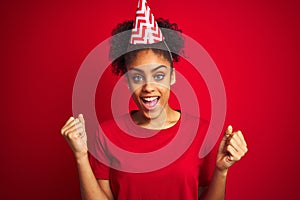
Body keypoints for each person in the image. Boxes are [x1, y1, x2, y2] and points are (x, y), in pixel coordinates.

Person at [61, 1, 248, 199]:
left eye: (159, 76)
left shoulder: (202, 134)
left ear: (172, 76)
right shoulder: (107, 135)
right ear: (126, 81)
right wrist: (81, 156)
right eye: (137, 77)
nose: (148, 87)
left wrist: (222, 171)